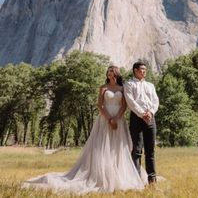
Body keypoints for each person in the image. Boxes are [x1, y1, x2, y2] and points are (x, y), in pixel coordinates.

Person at [22, 66, 146, 194]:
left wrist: (117, 119)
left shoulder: (122, 88)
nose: (109, 73)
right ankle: (102, 176)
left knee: (118, 148)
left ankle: (118, 173)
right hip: (105, 120)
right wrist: (109, 118)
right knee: (102, 147)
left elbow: (124, 106)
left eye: (111, 71)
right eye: (108, 71)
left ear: (116, 73)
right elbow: (100, 105)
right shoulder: (103, 88)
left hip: (119, 120)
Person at [124, 61, 159, 184]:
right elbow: (131, 102)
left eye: (145, 69)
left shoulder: (150, 85)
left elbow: (155, 101)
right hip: (136, 118)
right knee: (137, 150)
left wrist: (151, 112)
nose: (143, 71)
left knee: (150, 150)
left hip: (150, 118)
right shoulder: (129, 84)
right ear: (135, 70)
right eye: (141, 69)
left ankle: (152, 179)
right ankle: (136, 180)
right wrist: (142, 114)